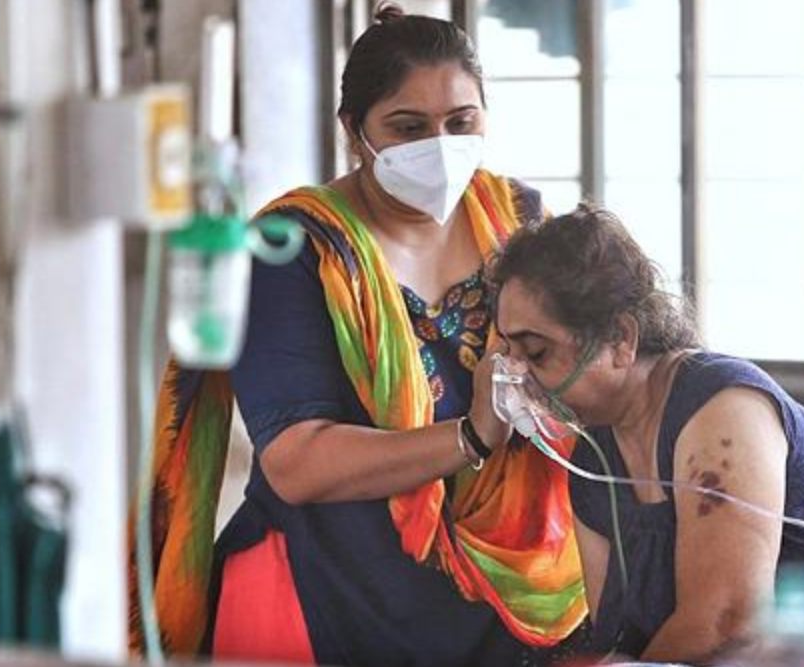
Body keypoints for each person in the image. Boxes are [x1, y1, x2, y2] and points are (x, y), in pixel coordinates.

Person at [129, 5, 587, 666]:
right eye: (408, 127)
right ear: (354, 131)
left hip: (502, 600)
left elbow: (588, 373)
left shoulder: (518, 222)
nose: (439, 146)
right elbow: (295, 461)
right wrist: (469, 436)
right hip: (322, 596)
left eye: (461, 123)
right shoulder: (292, 250)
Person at [484, 204, 804, 667]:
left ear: (620, 339)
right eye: (509, 353)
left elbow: (727, 622)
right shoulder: (592, 461)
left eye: (537, 353)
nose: (517, 377)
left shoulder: (721, 406)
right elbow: (617, 638)